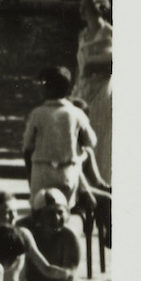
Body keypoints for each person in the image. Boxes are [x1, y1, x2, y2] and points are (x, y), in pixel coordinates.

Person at [21, 65, 104, 203]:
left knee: (40, 207)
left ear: (48, 89)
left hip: (42, 171)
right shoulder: (77, 114)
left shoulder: (37, 114)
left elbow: (28, 144)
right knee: (63, 208)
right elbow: (91, 141)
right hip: (67, 171)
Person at [76, 0, 116, 188]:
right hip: (83, 91)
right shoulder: (83, 34)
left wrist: (96, 66)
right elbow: (80, 66)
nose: (83, 12)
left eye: (88, 8)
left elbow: (117, 64)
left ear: (100, 10)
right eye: (82, 8)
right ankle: (85, 186)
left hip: (102, 92)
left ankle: (103, 183)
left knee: (99, 137)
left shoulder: (110, 33)